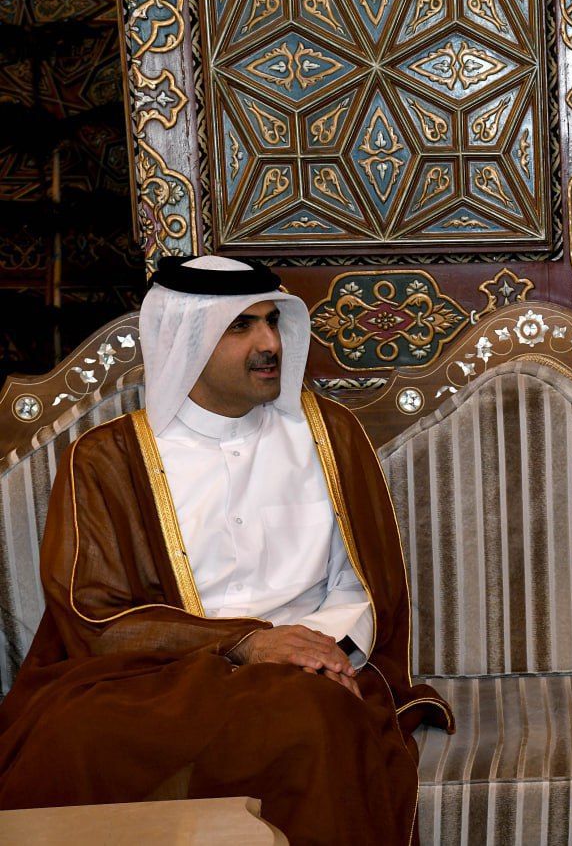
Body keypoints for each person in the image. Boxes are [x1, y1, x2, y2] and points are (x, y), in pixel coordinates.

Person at [0, 255, 452, 845]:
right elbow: (93, 615)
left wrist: (320, 655)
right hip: (160, 675)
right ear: (186, 340)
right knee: (73, 739)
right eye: (241, 326)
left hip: (303, 673)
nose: (270, 344)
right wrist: (245, 643)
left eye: (273, 321)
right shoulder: (108, 457)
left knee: (309, 722)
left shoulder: (329, 436)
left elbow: (364, 588)